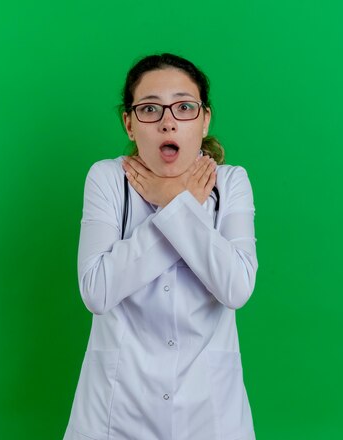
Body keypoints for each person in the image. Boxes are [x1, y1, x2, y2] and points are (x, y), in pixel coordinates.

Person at [63, 53, 258, 440]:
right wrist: (180, 204)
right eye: (150, 109)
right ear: (129, 123)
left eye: (184, 107)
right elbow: (97, 291)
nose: (168, 120)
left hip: (211, 415)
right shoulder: (107, 178)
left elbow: (236, 287)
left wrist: (167, 199)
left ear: (204, 120)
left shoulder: (231, 182)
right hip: (115, 413)